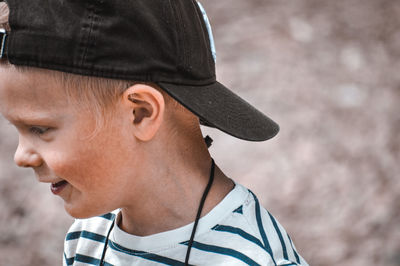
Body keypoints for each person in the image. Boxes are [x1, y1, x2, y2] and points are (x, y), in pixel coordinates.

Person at [0, 0, 308, 265]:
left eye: (39, 129)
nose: (20, 157)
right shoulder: (87, 238)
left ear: (141, 113)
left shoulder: (251, 259)